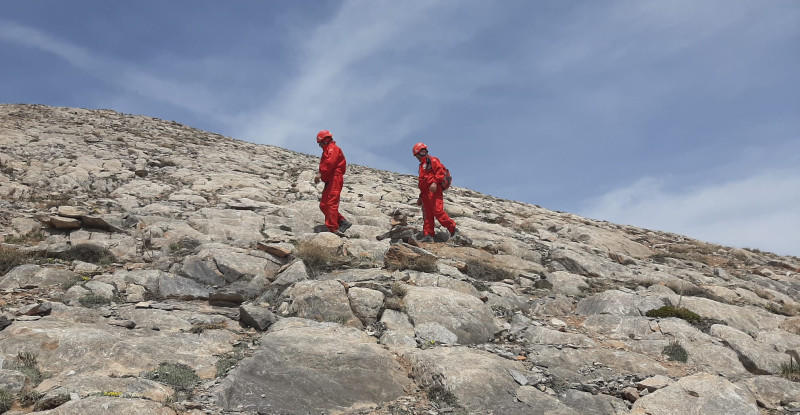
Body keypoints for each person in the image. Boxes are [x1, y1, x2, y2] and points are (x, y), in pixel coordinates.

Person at [413, 142, 459, 243]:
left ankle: (453, 230)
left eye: (424, 151)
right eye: (421, 152)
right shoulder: (422, 166)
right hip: (425, 193)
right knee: (427, 214)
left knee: (438, 212)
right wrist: (420, 196)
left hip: (434, 191)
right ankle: (428, 235)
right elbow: (422, 182)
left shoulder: (433, 160)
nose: (423, 153)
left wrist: (434, 182)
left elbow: (440, 172)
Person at [314, 130, 351, 234]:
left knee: (331, 203)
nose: (319, 145)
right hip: (329, 179)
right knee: (323, 205)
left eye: (320, 143)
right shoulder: (327, 150)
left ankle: (333, 228)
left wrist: (320, 173)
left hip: (335, 178)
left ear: (325, 140)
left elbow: (329, 163)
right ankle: (341, 221)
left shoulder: (333, 149)